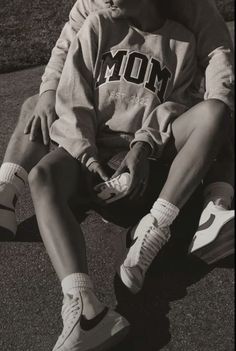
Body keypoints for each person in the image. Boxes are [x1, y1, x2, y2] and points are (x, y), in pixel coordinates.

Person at [27, 0, 232, 351]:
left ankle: (158, 225)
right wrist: (90, 161)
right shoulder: (98, 25)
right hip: (94, 157)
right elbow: (73, 102)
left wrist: (140, 148)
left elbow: (175, 107)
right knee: (42, 176)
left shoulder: (183, 39)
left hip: (149, 164)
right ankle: (85, 309)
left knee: (215, 112)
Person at [0, 0, 234, 264]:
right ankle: (4, 195)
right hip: (101, 135)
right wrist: (49, 93)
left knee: (221, 113)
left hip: (150, 135)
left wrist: (220, 116)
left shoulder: (191, 15)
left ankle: (214, 207)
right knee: (36, 104)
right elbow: (66, 49)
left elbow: (218, 54)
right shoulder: (93, 9)